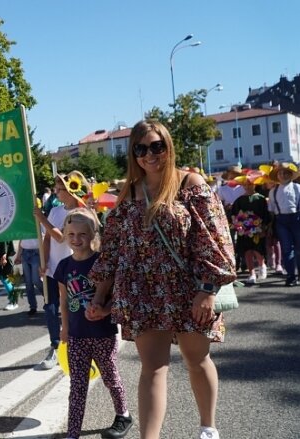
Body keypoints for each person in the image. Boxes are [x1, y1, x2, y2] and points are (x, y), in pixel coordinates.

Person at [87, 120, 236, 439]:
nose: (150, 155)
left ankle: (208, 428)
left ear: (168, 146)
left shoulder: (189, 183)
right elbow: (112, 249)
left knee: (197, 360)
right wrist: (100, 296)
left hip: (190, 292)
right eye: (141, 149)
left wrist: (208, 290)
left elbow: (216, 239)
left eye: (157, 146)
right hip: (144, 294)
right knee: (153, 368)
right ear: (133, 154)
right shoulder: (128, 192)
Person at [55, 208, 132, 439]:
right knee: (77, 386)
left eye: (82, 234)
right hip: (77, 335)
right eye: (71, 235)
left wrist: (105, 310)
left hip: (103, 333)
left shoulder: (102, 262)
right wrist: (65, 328)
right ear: (65, 235)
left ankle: (123, 413)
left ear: (92, 235)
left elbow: (118, 295)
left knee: (110, 376)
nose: (76, 240)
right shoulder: (64, 267)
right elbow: (64, 300)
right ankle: (73, 433)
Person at [33, 170, 91, 370]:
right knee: (50, 306)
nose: (56, 193)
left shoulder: (79, 213)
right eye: (56, 188)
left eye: (60, 189)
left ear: (70, 190)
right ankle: (55, 346)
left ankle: (81, 345)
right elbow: (49, 239)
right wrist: (45, 261)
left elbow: (61, 237)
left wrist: (41, 219)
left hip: (73, 267)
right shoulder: (56, 211)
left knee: (74, 306)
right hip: (53, 268)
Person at [229, 170, 270, 284]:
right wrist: (237, 224)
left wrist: (263, 227)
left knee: (257, 250)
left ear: (255, 184)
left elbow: (266, 214)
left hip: (258, 229)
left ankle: (262, 265)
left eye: (250, 184)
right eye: (245, 185)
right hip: (244, 231)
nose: (247, 186)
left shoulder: (260, 199)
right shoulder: (239, 200)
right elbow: (234, 214)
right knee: (247, 251)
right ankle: (251, 273)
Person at [267, 162, 300, 286]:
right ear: (277, 176)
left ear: (291, 174)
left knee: (299, 249)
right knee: (287, 249)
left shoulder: (298, 188)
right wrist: (270, 225)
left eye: (286, 173)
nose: (283, 175)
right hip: (281, 221)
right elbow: (271, 210)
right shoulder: (273, 191)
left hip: (297, 218)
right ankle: (291, 276)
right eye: (280, 173)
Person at [13, 238, 41, 315]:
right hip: (25, 253)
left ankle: (49, 297)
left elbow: (43, 237)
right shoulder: (23, 226)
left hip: (36, 252)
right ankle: (32, 306)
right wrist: (18, 255)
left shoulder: (39, 225)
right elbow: (21, 239)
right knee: (28, 282)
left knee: (36, 280)